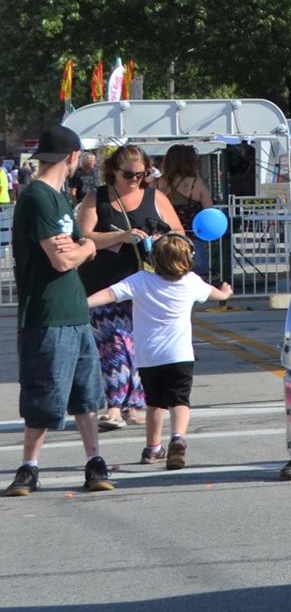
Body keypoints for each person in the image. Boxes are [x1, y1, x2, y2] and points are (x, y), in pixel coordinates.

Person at [7, 125, 114, 496]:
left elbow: (70, 249)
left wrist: (79, 246)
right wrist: (86, 248)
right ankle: (28, 466)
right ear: (70, 157)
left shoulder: (59, 197)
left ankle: (94, 461)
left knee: (86, 395)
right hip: (47, 314)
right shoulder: (38, 197)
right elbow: (61, 259)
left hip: (75, 310)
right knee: (44, 395)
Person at [92, 231, 228, 468]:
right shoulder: (192, 281)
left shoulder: (141, 280)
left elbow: (110, 294)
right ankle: (177, 437)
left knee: (154, 403)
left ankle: (153, 448)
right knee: (180, 401)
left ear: (154, 260)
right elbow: (215, 294)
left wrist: (82, 302)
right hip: (180, 354)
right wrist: (226, 292)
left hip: (148, 356)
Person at [77, 142, 184, 429]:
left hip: (145, 285)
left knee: (137, 346)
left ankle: (133, 403)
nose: (135, 179)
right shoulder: (96, 198)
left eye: (141, 173)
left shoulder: (155, 196)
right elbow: (84, 237)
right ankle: (114, 405)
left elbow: (178, 233)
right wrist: (120, 236)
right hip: (103, 285)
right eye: (129, 174)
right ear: (112, 171)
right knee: (113, 345)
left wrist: (160, 238)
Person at [159, 144, 215, 279]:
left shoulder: (159, 183)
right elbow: (209, 210)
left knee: (168, 271)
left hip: (166, 235)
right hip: (193, 235)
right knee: (195, 270)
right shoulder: (196, 183)